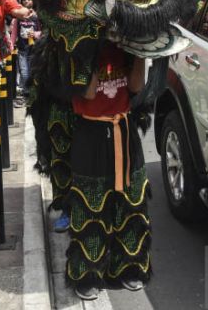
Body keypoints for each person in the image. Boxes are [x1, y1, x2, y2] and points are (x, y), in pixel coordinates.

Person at [67, 42, 150, 300]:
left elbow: (136, 86)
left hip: (124, 132)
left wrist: (138, 50)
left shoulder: (125, 47)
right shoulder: (76, 48)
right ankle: (88, 275)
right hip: (90, 136)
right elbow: (90, 93)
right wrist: (91, 49)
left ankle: (127, 268)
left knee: (131, 203)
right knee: (91, 207)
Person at [12, 0, 40, 107]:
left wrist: (36, 34)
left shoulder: (36, 17)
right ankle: (25, 94)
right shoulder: (18, 18)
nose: (27, 1)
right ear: (22, 1)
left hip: (34, 50)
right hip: (22, 50)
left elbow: (43, 32)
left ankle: (30, 95)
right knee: (24, 73)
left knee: (32, 73)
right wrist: (11, 45)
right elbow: (13, 34)